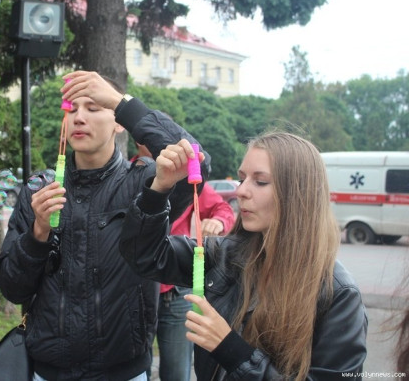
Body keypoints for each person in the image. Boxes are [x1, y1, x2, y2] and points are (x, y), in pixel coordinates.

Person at [0, 70, 208, 380]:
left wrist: (124, 104)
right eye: (72, 109)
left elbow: (197, 162)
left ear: (118, 121)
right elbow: (12, 288)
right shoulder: (40, 191)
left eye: (94, 107)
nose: (79, 118)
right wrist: (38, 234)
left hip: (124, 372)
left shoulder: (145, 183)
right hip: (49, 373)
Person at [120, 131, 368, 380]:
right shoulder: (225, 255)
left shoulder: (339, 295)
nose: (241, 191)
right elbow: (144, 254)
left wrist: (230, 349)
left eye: (260, 182)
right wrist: (158, 189)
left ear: (298, 193)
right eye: (242, 179)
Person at [133, 143, 235, 381]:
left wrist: (218, 222)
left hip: (175, 292)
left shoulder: (182, 174)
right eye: (150, 136)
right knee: (136, 369)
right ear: (138, 141)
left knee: (178, 372)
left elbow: (222, 208)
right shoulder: (128, 173)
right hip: (134, 291)